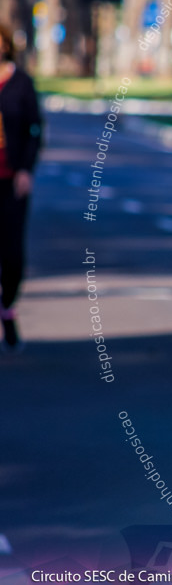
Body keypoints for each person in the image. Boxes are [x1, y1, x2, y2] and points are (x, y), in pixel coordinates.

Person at [0, 24, 43, 351]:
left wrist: (26, 169)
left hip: (11, 182)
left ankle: (7, 306)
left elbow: (35, 129)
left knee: (13, 255)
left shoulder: (21, 83)